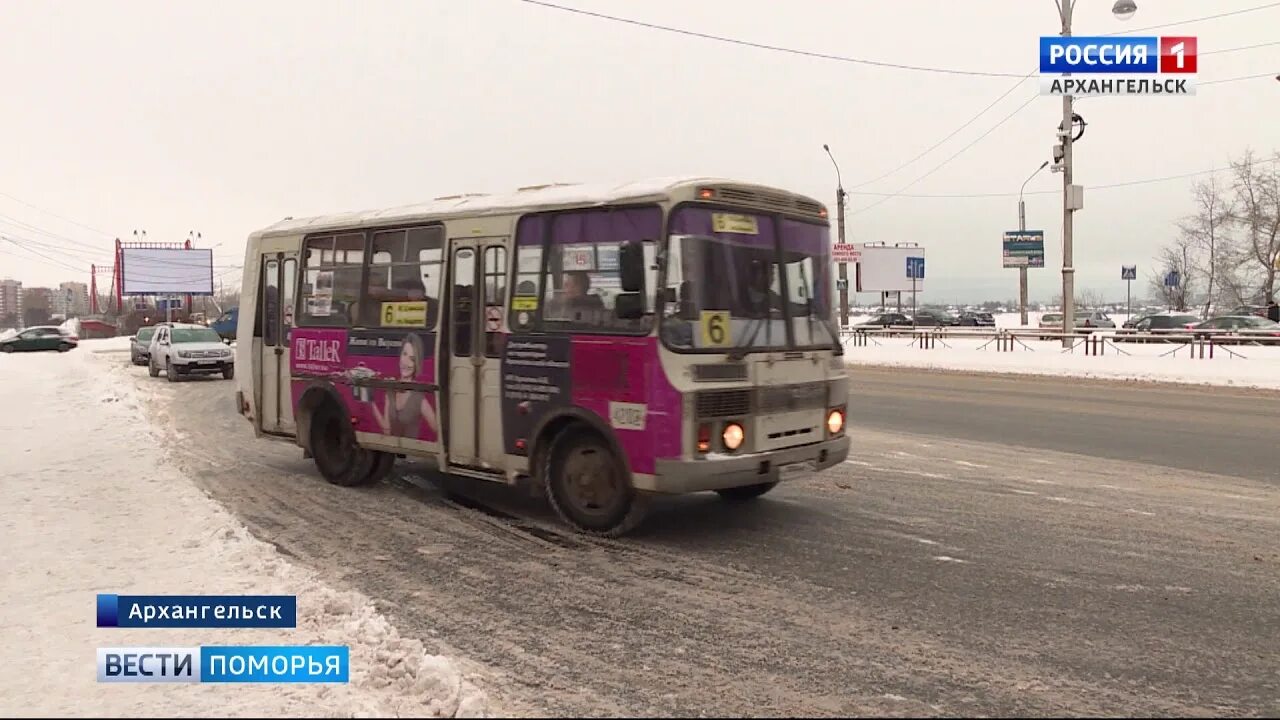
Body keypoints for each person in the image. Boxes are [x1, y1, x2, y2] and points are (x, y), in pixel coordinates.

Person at [372, 334, 438, 440]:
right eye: (404, 354)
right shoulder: (391, 389)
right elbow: (386, 430)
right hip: (393, 449)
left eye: (412, 359)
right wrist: (371, 403)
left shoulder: (418, 398)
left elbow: (437, 428)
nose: (406, 362)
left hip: (411, 454)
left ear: (417, 363)